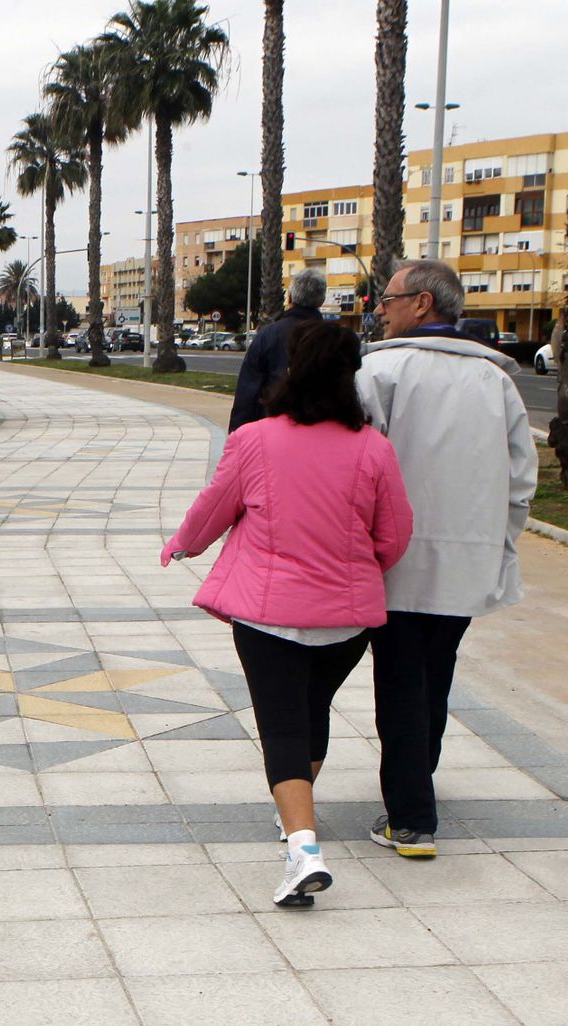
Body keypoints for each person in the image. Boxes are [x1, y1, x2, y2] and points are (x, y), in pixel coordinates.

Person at [163, 321, 412, 906]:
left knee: (281, 726)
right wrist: (355, 565)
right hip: (346, 621)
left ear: (290, 370)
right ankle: (293, 811)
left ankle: (302, 850)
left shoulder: (254, 439)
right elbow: (395, 536)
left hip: (267, 617)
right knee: (310, 709)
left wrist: (183, 544)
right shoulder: (374, 448)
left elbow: (213, 509)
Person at [357, 260, 537, 859]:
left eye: (387, 299)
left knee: (402, 682)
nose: (378, 309)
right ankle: (417, 782)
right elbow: (521, 480)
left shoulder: (382, 370)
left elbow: (357, 463)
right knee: (435, 675)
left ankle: (411, 817)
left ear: (423, 305)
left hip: (397, 559)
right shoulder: (497, 382)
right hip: (468, 558)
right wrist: (499, 543)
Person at [227, 268, 328, 432]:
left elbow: (249, 392)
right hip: (323, 432)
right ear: (322, 300)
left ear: (289, 297)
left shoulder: (267, 336)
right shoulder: (335, 339)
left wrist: (237, 435)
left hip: (273, 429)